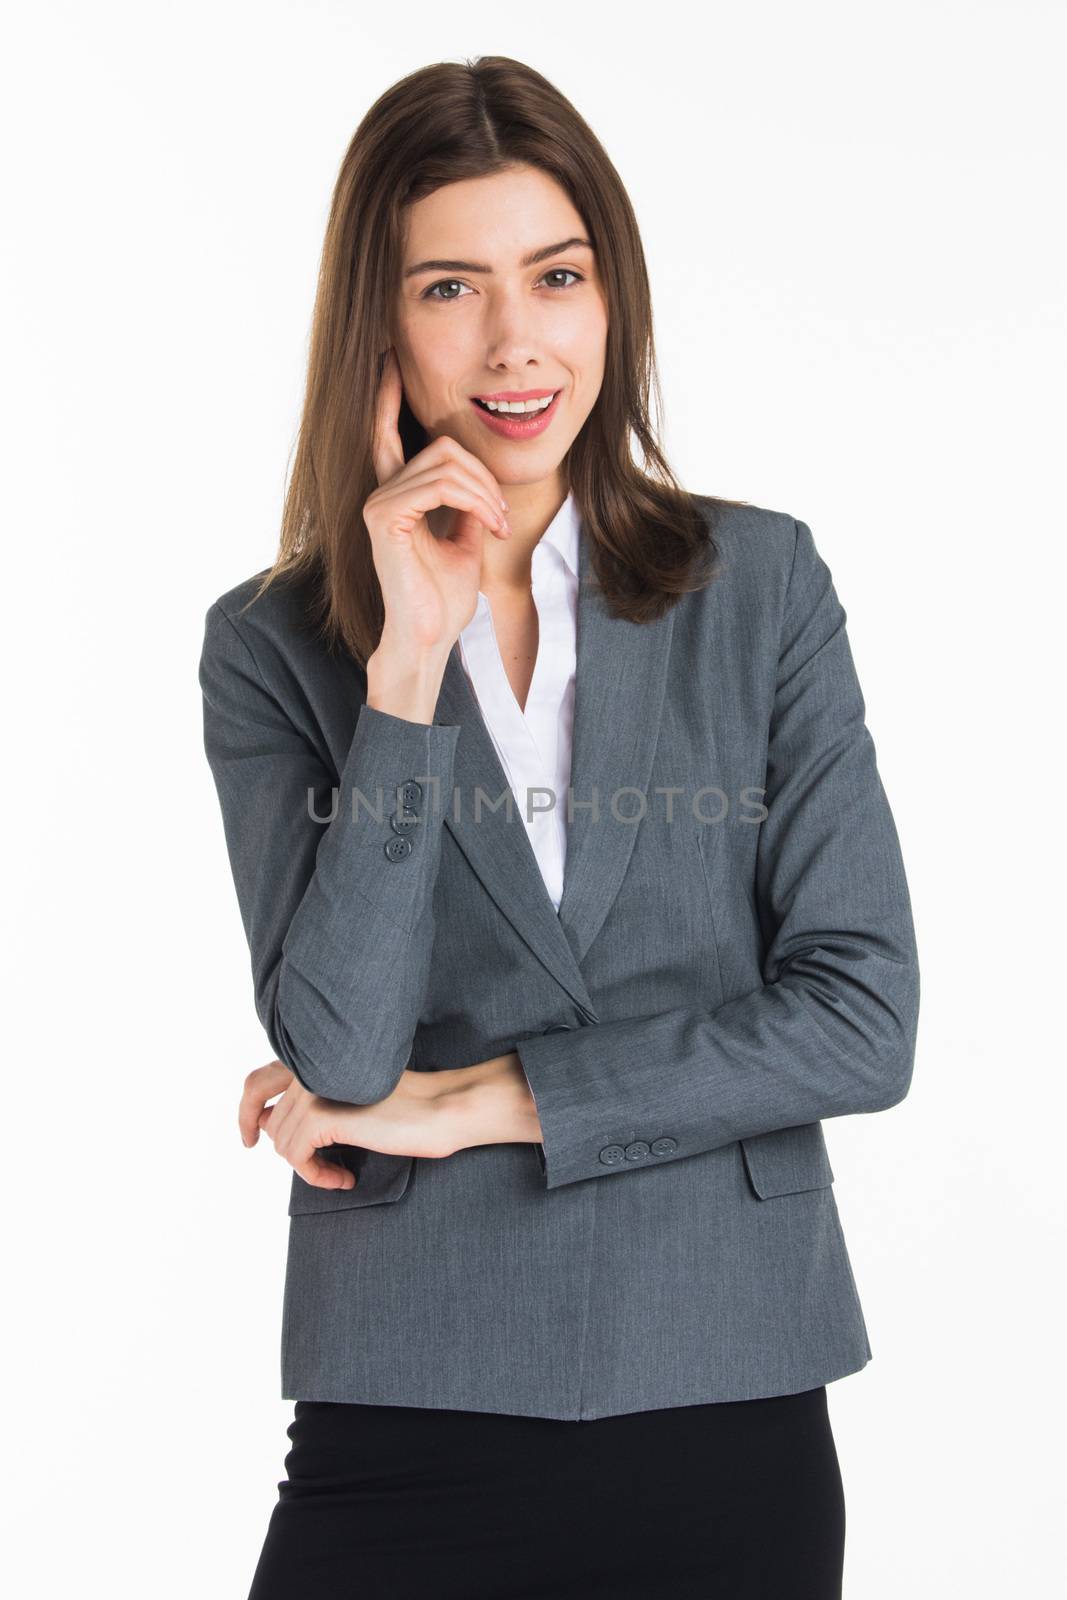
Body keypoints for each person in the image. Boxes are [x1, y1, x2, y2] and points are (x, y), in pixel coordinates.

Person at [198, 54, 920, 1600]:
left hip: (721, 1376)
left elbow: (861, 1020)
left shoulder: (761, 585)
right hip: (409, 1394)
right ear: (379, 331)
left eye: (560, 275)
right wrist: (404, 669)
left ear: (614, 297)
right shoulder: (274, 645)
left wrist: (474, 1103)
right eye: (451, 287)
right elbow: (336, 1055)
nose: (518, 343)